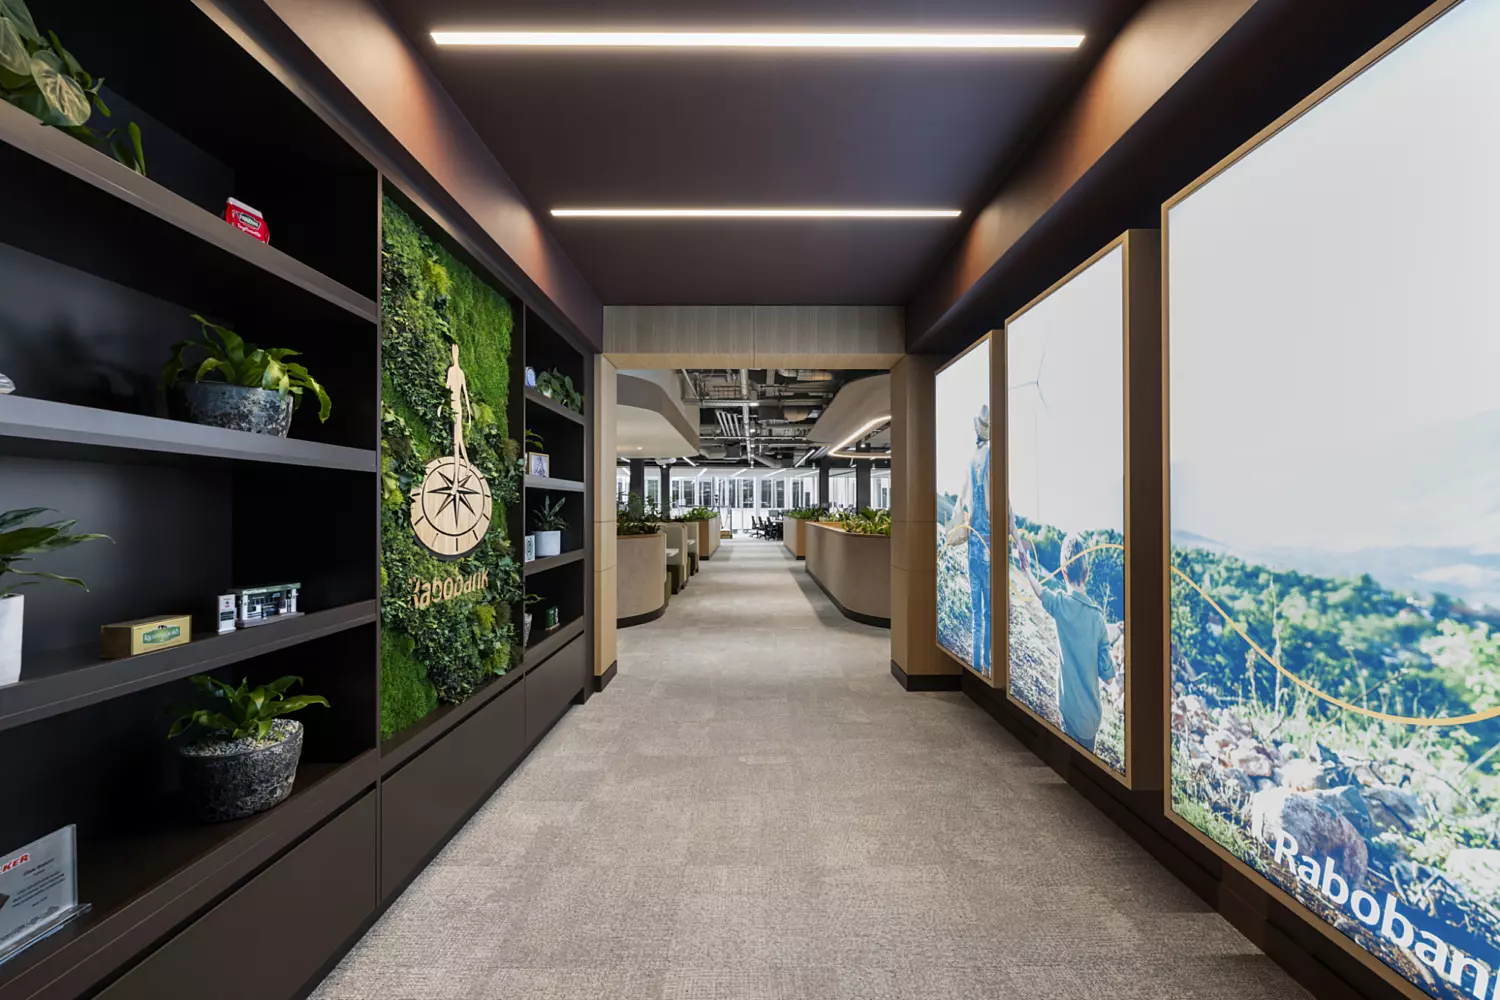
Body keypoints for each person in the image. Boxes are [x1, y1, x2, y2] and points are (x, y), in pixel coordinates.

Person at [1017, 532, 1116, 751]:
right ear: (1087, 573)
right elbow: (1109, 677)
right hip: (1090, 719)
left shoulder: (1060, 604)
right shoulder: (1098, 619)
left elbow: (1040, 591)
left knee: (1069, 759)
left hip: (1068, 708)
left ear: (1063, 572)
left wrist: (1027, 570)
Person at [943, 405, 991, 674]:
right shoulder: (991, 457)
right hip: (987, 543)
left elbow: (961, 502)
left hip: (972, 544)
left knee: (977, 614)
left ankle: (975, 666)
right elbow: (994, 503)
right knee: (991, 612)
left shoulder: (971, 460)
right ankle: (988, 665)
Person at [445, 341, 473, 464]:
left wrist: (469, 415)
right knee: (457, 438)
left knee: (457, 439)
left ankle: (462, 468)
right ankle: (465, 463)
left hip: (456, 406)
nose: (455, 355)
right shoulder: (453, 371)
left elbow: (465, 393)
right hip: (454, 406)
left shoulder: (457, 372)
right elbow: (447, 390)